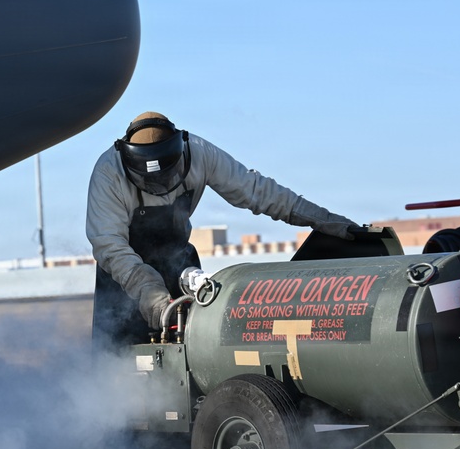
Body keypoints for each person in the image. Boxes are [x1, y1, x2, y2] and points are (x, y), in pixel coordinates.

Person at [87, 111, 357, 347]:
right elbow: (110, 246)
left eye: (165, 176)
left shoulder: (199, 151)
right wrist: (148, 289)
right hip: (123, 277)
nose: (158, 186)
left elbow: (255, 190)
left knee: (190, 349)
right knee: (116, 361)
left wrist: (322, 219)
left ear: (180, 153)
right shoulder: (109, 173)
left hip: (177, 264)